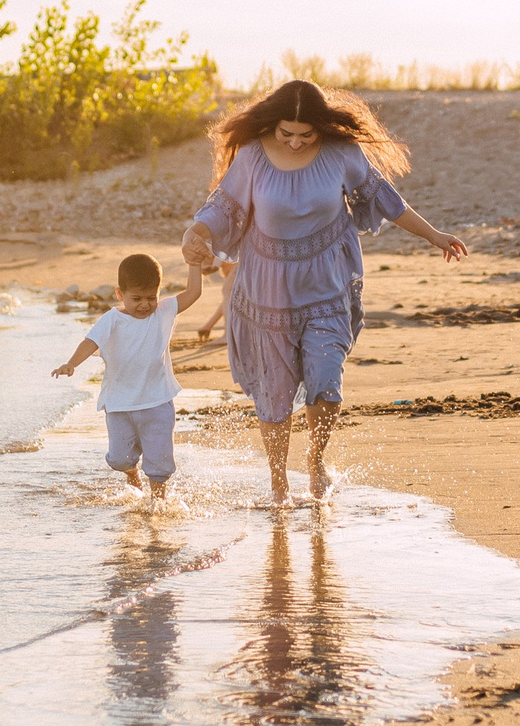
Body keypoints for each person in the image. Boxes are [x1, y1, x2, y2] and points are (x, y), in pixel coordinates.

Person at [181, 80, 469, 504]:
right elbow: (221, 208)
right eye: (287, 133)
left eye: (306, 134)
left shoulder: (341, 154)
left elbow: (388, 200)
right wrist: (196, 233)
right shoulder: (253, 156)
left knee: (327, 384)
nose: (296, 142)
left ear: (320, 126)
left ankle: (316, 463)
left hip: (326, 286)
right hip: (268, 292)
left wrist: (434, 235)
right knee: (276, 397)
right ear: (273, 125)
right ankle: (279, 484)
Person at [51, 252, 206, 497]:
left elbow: (193, 293)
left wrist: (195, 264)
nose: (144, 305)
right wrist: (71, 364)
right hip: (119, 404)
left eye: (151, 297)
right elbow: (90, 342)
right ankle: (131, 473)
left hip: (157, 401)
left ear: (158, 293)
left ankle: (157, 502)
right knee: (119, 459)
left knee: (159, 462)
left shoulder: (163, 312)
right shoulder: (112, 319)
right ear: (120, 294)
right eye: (136, 298)